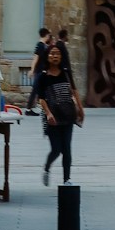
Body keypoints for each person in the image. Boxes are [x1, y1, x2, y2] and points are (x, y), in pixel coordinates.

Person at [28, 33, 82, 184]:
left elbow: (74, 91)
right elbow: (41, 98)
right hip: (52, 117)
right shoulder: (43, 76)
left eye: (57, 53)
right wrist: (48, 113)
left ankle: (67, 179)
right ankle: (47, 168)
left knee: (67, 149)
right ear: (47, 57)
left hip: (68, 115)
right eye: (52, 54)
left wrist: (80, 109)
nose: (55, 56)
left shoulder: (66, 74)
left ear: (61, 56)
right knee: (56, 149)